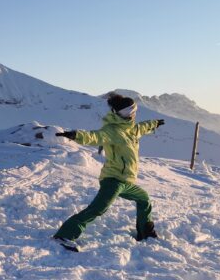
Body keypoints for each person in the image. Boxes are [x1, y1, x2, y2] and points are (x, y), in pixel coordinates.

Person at [52, 93, 164, 252]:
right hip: (113, 180)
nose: (133, 114)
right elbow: (94, 136)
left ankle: (145, 232)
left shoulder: (133, 129)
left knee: (144, 199)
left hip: (127, 181)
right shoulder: (112, 130)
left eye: (134, 111)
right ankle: (64, 235)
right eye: (131, 112)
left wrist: (154, 124)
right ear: (124, 113)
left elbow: (143, 127)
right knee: (98, 209)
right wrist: (75, 135)